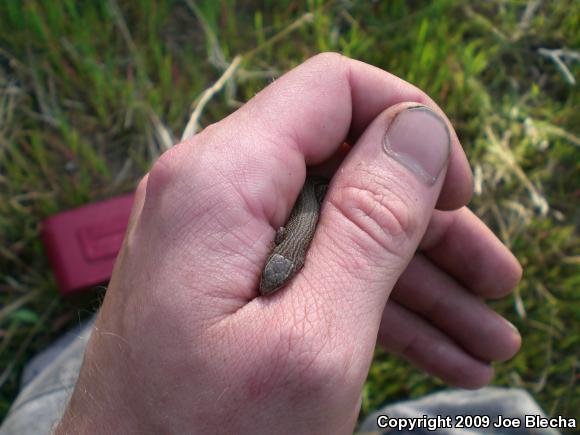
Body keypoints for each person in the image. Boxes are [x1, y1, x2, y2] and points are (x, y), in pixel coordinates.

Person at [2, 53, 554, 434]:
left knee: (69, 381)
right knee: (516, 417)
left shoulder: (293, 238)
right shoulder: (282, 249)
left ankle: (75, 356)